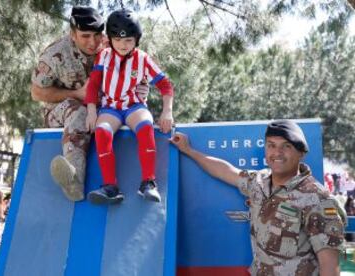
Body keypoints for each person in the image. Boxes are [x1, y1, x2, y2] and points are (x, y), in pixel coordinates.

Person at [170, 120, 346, 276]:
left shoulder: (318, 199)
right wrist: (188, 150)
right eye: (271, 145)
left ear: (301, 153)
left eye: (286, 146)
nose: (277, 152)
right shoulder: (259, 182)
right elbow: (225, 171)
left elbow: (330, 266)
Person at [31, 6, 148, 202]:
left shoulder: (113, 44)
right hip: (64, 110)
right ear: (72, 34)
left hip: (105, 109)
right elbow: (36, 92)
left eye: (96, 35)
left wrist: (142, 87)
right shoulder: (54, 55)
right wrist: (76, 93)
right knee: (80, 114)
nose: (93, 42)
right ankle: (74, 182)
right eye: (85, 36)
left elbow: (139, 67)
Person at [85, 9, 174, 204]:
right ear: (110, 39)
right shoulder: (104, 56)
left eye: (128, 40)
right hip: (111, 108)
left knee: (145, 127)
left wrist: (167, 111)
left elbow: (165, 85)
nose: (122, 45)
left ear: (137, 39)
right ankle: (110, 187)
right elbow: (93, 85)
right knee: (102, 130)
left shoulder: (143, 58)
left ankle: (148, 183)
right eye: (117, 39)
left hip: (135, 106)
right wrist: (91, 111)